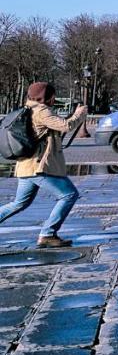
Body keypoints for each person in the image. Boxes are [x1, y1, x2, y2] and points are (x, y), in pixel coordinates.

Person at [0, 82, 88, 248]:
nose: (54, 98)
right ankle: (48, 234)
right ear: (46, 96)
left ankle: (48, 234)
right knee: (69, 195)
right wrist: (79, 114)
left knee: (19, 203)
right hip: (39, 167)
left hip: (26, 166)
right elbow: (66, 126)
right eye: (52, 95)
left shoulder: (29, 109)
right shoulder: (41, 111)